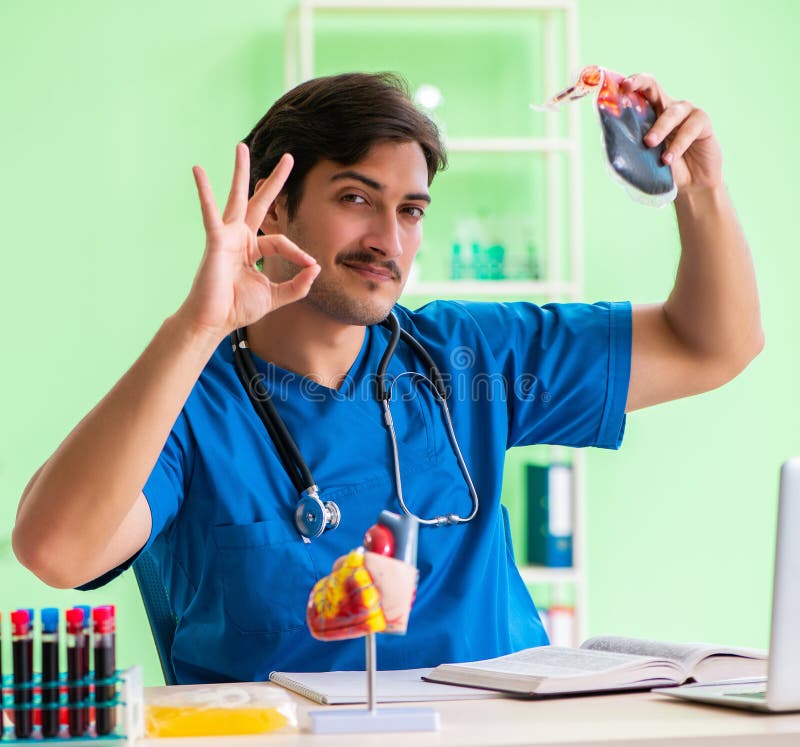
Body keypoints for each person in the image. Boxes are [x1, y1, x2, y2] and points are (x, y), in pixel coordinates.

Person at [13, 72, 763, 684]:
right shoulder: (188, 405)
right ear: (273, 213)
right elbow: (56, 550)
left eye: (410, 210)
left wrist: (702, 191)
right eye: (355, 198)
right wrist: (195, 327)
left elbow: (712, 345)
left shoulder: (470, 358)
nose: (389, 240)